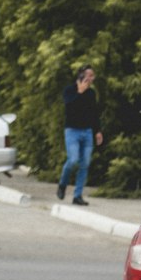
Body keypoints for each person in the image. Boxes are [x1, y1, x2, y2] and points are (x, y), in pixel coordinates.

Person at [56, 65, 103, 205]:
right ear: (81, 76)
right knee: (73, 160)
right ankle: (62, 184)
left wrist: (98, 131)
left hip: (87, 131)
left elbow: (94, 113)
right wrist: (80, 92)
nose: (91, 78)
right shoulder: (69, 90)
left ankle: (77, 196)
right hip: (72, 131)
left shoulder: (91, 93)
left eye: (92, 76)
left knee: (85, 164)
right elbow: (69, 107)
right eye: (89, 75)